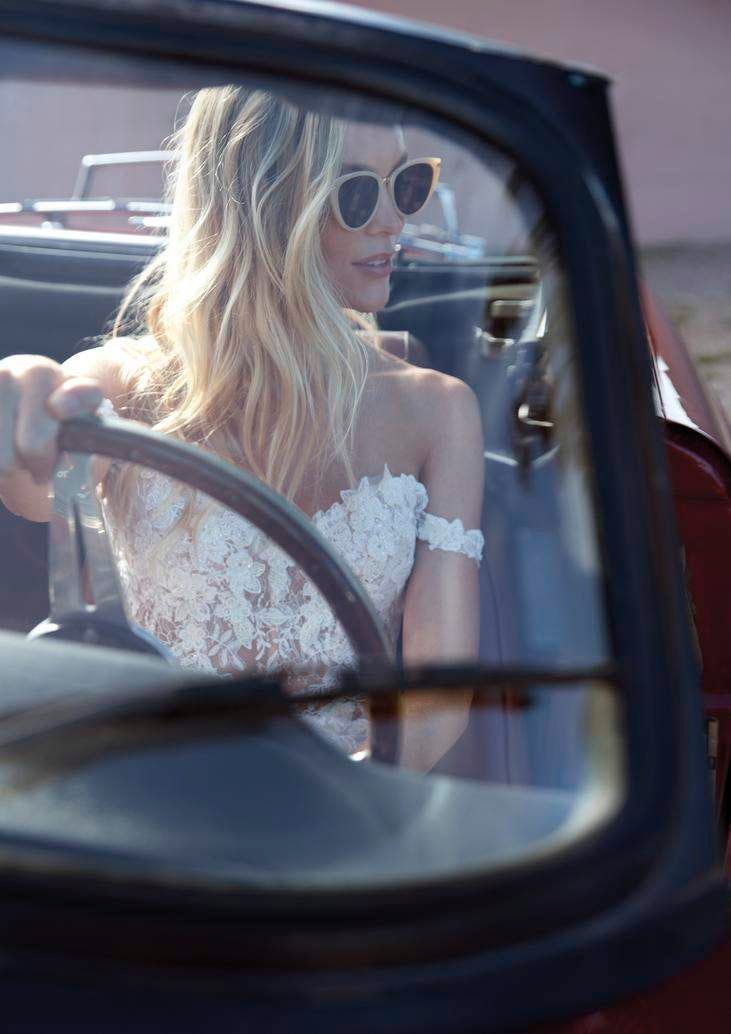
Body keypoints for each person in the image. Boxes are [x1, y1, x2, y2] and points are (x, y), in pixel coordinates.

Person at [0, 86, 484, 771]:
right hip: (149, 788)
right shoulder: (116, 385)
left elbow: (439, 700)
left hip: (350, 812)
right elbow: (34, 486)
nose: (391, 221)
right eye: (354, 194)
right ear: (264, 202)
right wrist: (19, 383)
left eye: (406, 185)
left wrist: (337, 809)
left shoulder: (437, 410)